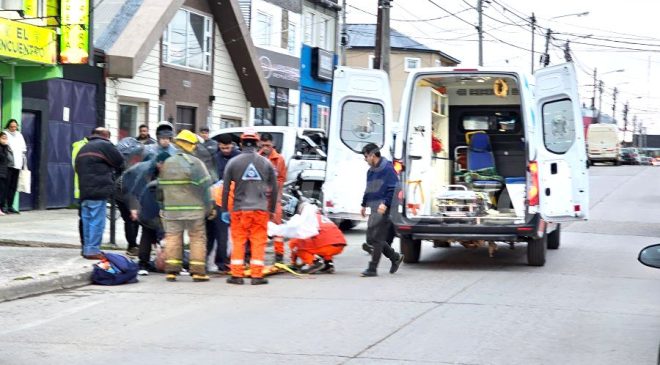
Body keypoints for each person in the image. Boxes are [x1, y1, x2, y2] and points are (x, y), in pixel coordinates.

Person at [222, 129, 278, 285]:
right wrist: (272, 210)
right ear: (257, 143)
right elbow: (274, 189)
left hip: (239, 209)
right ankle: (257, 276)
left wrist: (224, 210)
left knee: (239, 241)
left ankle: (237, 275)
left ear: (241, 143)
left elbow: (226, 189)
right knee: (258, 241)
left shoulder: (232, 163)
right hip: (260, 210)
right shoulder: (266, 163)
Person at [158, 130, 215, 282]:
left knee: (173, 238)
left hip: (171, 210)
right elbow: (205, 188)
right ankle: (197, 272)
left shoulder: (167, 163)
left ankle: (171, 271)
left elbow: (160, 187)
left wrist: (162, 205)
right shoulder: (195, 164)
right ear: (190, 145)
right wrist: (210, 207)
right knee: (197, 238)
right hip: (194, 211)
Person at [75, 127, 124, 260]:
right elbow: (120, 161)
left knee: (86, 220)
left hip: (84, 190)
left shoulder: (83, 148)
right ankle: (93, 250)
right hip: (99, 190)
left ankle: (86, 249)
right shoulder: (105, 145)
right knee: (97, 221)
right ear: (106, 135)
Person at [360, 143, 404, 277]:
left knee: (377, 238)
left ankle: (372, 269)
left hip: (385, 208)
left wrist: (385, 203)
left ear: (373, 155)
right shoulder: (371, 171)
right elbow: (369, 189)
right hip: (374, 207)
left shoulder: (388, 169)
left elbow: (394, 188)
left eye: (366, 156)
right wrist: (363, 204)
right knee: (370, 238)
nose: (365, 159)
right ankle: (395, 257)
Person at [206, 133, 240, 273]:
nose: (226, 150)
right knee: (220, 233)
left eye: (228, 147)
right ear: (219, 146)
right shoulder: (215, 158)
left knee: (236, 233)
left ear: (232, 145)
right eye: (223, 148)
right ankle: (219, 262)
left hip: (236, 198)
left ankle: (235, 259)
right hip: (219, 199)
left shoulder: (238, 157)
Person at [288, 204, 346, 274]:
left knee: (296, 245)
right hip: (340, 245)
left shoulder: (306, 219)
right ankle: (328, 264)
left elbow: (296, 241)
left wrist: (293, 262)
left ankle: (314, 263)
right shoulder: (322, 217)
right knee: (320, 241)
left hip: (327, 246)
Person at [259, 132, 287, 263]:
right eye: (263, 145)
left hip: (274, 198)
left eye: (268, 145)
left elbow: (281, 178)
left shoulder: (279, 159)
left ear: (272, 144)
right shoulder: (257, 157)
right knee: (260, 226)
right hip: (260, 197)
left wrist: (277, 195)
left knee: (277, 226)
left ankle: (279, 254)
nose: (265, 148)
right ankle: (258, 254)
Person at [115, 137, 145, 256]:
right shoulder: (134, 163)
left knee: (130, 220)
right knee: (133, 220)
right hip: (127, 193)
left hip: (121, 194)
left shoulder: (120, 160)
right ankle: (132, 246)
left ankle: (132, 246)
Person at [3, 119, 26, 214]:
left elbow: (23, 148)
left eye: (15, 126)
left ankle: (10, 206)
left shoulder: (19, 135)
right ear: (8, 126)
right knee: (6, 186)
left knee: (13, 187)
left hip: (17, 164)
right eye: (11, 126)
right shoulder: (5, 134)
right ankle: (3, 206)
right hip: (8, 165)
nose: (13, 128)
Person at [0, 132, 13, 216]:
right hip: (0, 171)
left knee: (3, 191)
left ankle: (1, 207)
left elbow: (10, 159)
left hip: (5, 171)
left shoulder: (6, 147)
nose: (4, 140)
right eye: (3, 138)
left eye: (6, 138)